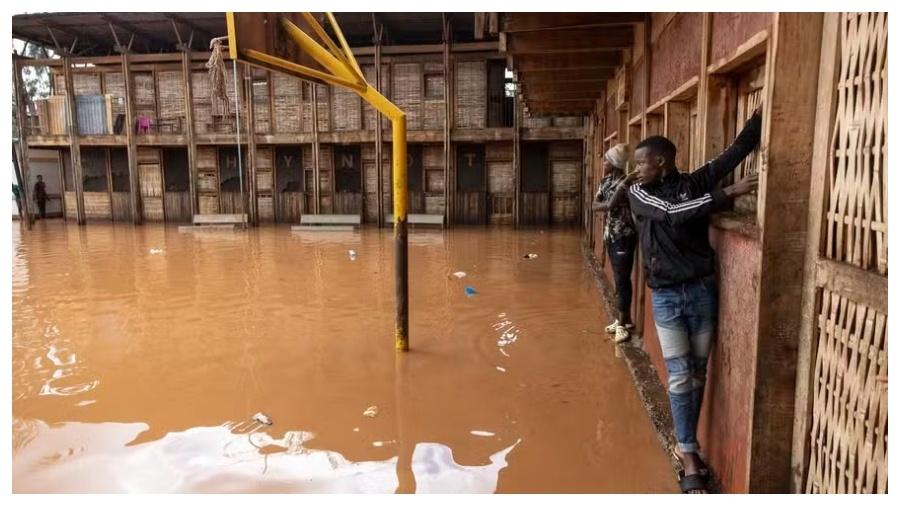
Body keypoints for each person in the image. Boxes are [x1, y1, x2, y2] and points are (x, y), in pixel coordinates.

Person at [606, 108, 762, 493]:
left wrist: (761, 116)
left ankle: (686, 441)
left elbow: (734, 152)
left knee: (698, 373)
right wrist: (727, 194)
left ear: (661, 162)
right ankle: (688, 452)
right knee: (679, 376)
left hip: (702, 290)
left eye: (642, 163)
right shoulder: (638, 193)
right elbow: (673, 215)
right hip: (666, 297)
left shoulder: (693, 183)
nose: (636, 169)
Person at [592, 144, 638, 343]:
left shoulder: (627, 184)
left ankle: (622, 324)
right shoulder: (606, 181)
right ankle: (623, 320)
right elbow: (595, 206)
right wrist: (605, 205)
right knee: (620, 279)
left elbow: (608, 205)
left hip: (624, 236)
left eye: (606, 160)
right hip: (610, 235)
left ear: (614, 163)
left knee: (622, 279)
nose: (603, 163)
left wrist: (607, 203)